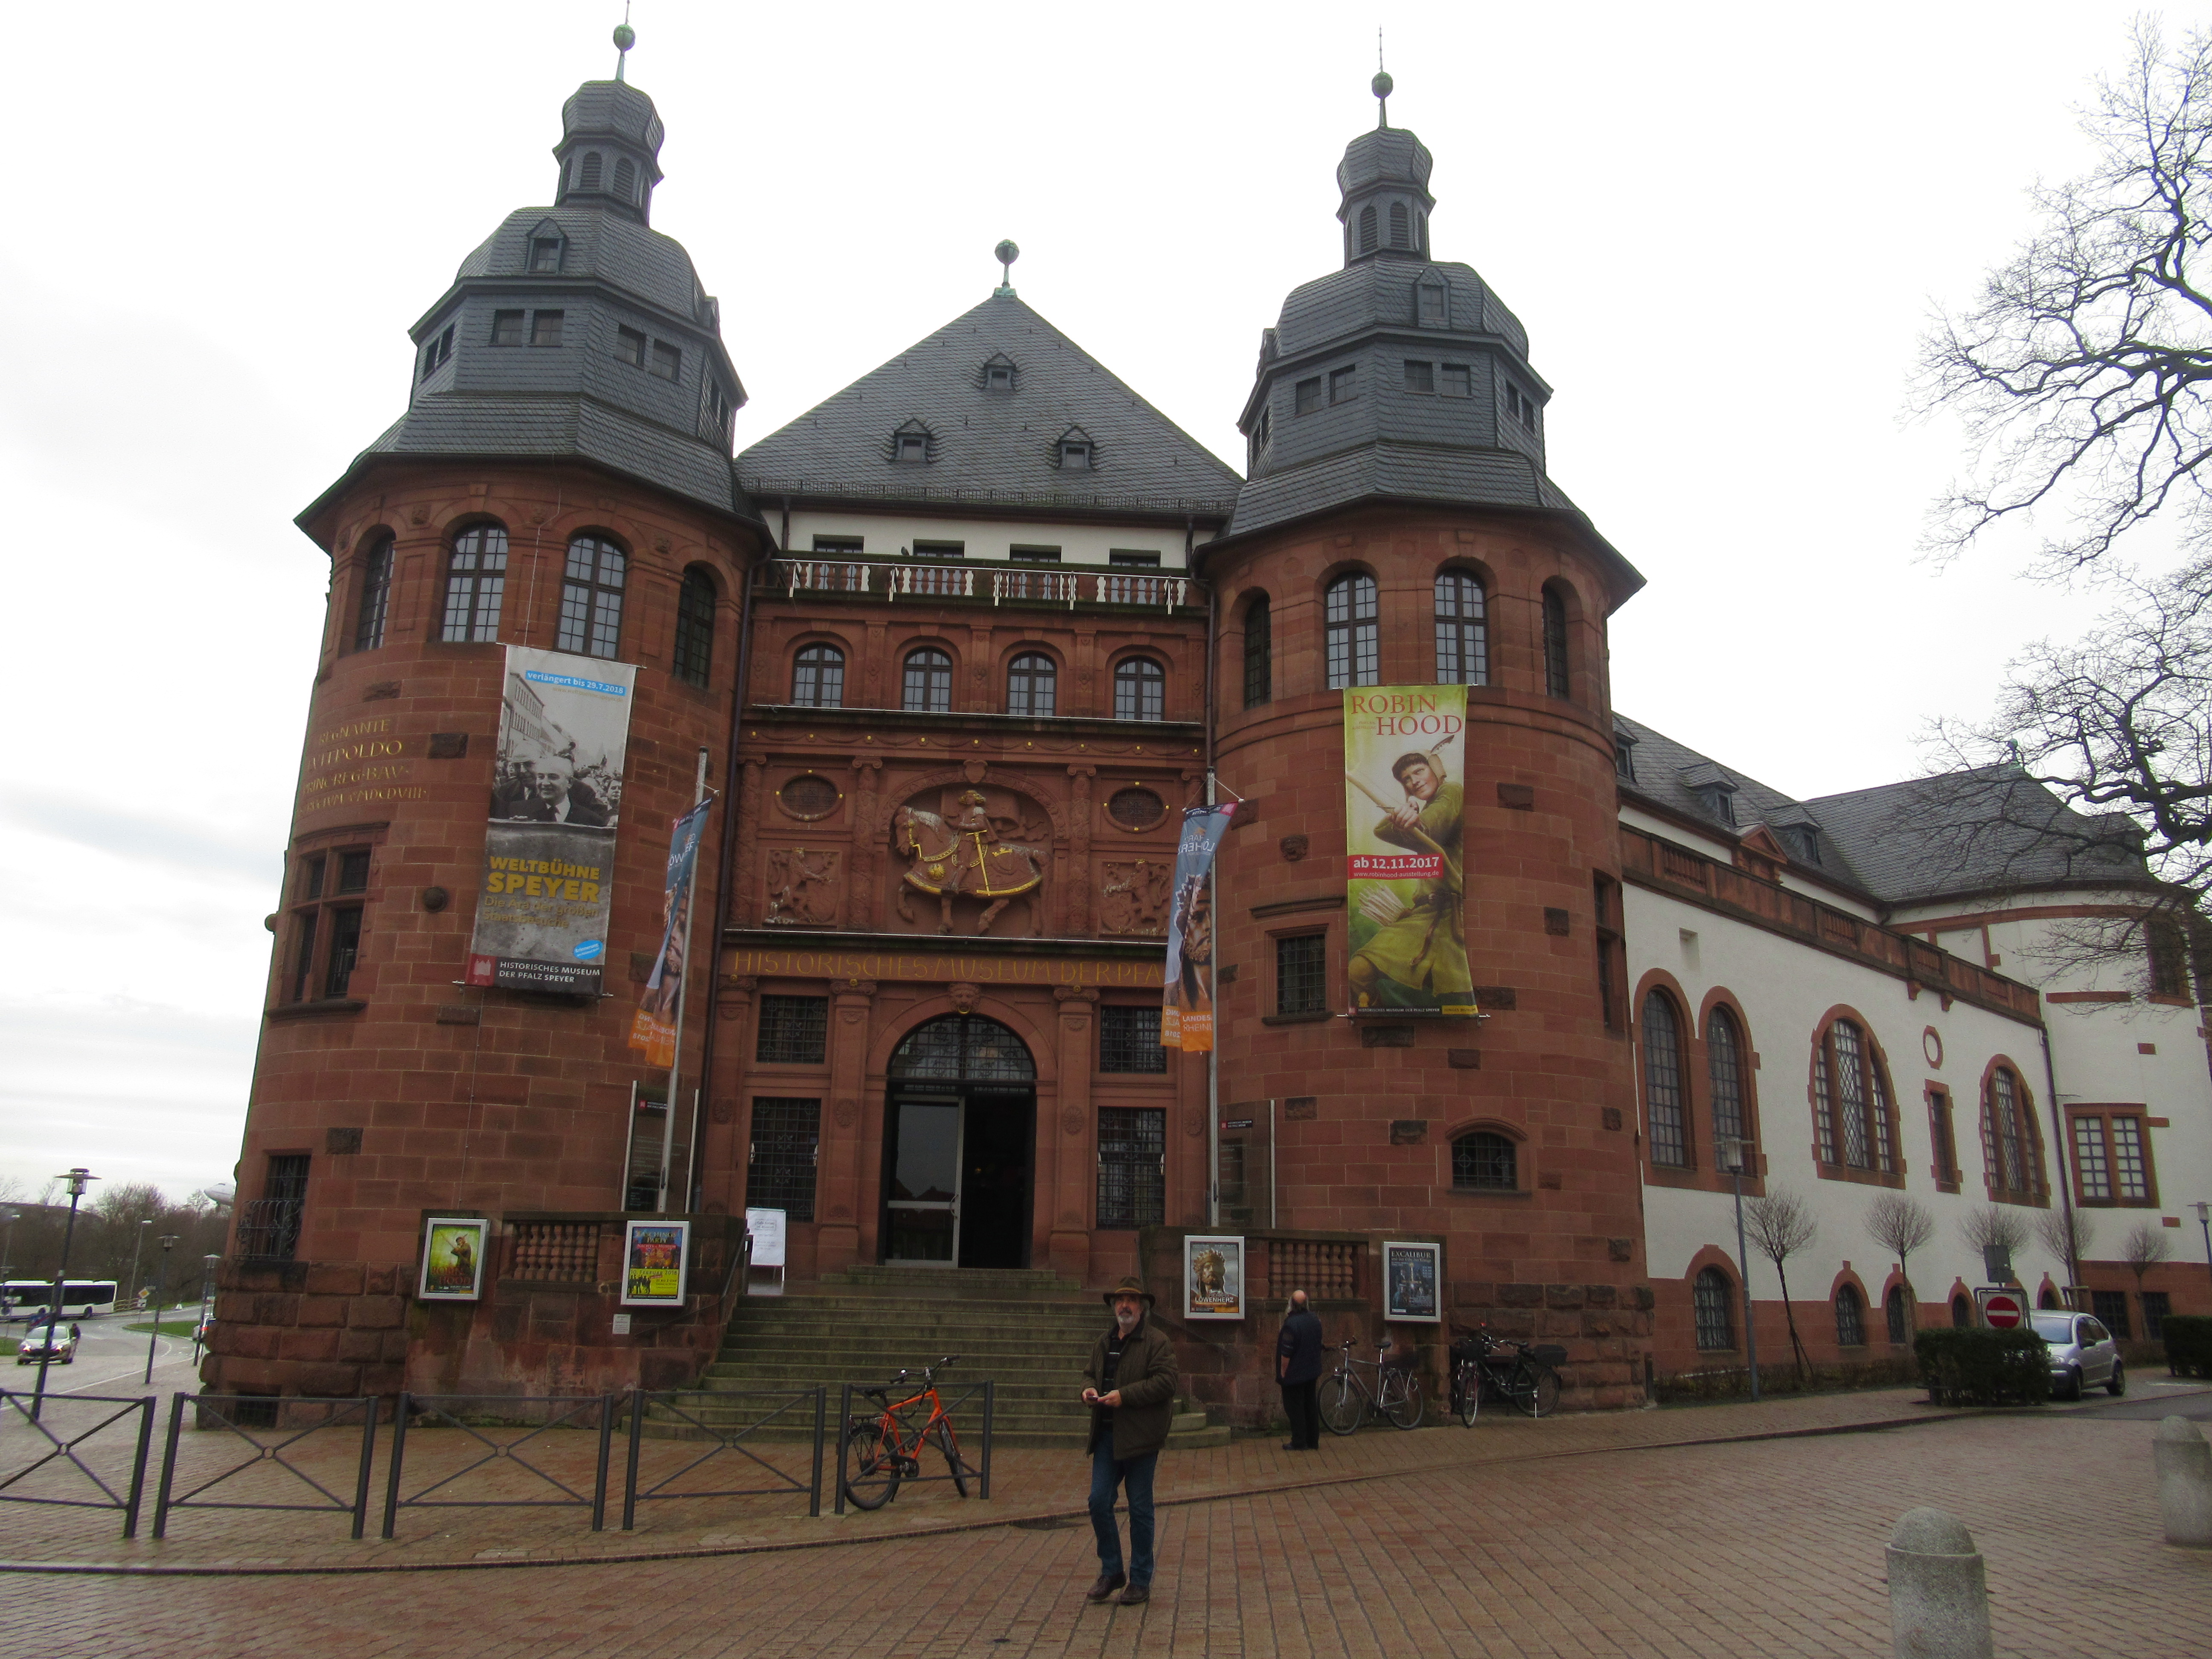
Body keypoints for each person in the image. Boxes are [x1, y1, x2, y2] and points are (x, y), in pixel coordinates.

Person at [1080, 1276, 1178, 1607]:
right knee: (1098, 1501)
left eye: (1131, 1301)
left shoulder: (1157, 1342)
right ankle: (1112, 1571)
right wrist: (1088, 1390)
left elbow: (1167, 1382)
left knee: (1139, 1509)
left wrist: (1126, 1396)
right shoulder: (1103, 1341)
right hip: (1107, 1437)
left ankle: (1140, 1580)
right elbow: (1089, 1373)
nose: (1125, 1306)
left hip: (1141, 1437)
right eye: (1120, 1301)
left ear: (1142, 1307)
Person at [1348, 751, 1473, 1010]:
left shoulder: (1451, 791)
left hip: (1456, 916)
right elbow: (1383, 832)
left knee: (1459, 997)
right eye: (1406, 779)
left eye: (1419, 771)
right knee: (1359, 970)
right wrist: (1409, 808)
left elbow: (1434, 823)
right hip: (1423, 916)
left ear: (1435, 770)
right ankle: (1376, 1018)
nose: (1414, 781)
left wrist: (1417, 820)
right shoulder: (1423, 812)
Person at [1276, 1288, 1324, 1450]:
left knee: (1295, 1408)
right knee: (1310, 1405)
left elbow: (1286, 1352)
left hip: (1295, 1374)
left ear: (1291, 1304)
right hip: (1312, 1370)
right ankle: (1313, 1440)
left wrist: (1283, 1373)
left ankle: (1299, 1441)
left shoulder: (1291, 1325)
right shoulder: (1315, 1319)